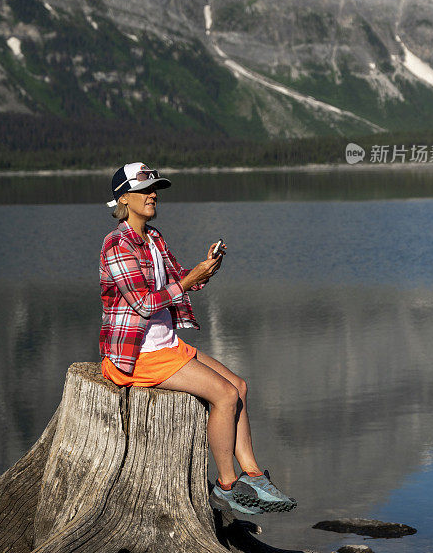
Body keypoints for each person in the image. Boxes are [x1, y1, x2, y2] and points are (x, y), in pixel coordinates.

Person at [100, 162, 297, 515]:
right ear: (124, 198)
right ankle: (226, 484)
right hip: (136, 356)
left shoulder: (153, 238)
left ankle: (252, 475)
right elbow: (144, 304)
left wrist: (206, 268)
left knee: (239, 385)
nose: (153, 195)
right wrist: (190, 281)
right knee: (223, 395)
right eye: (144, 190)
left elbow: (180, 280)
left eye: (154, 188)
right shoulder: (116, 244)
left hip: (165, 345)